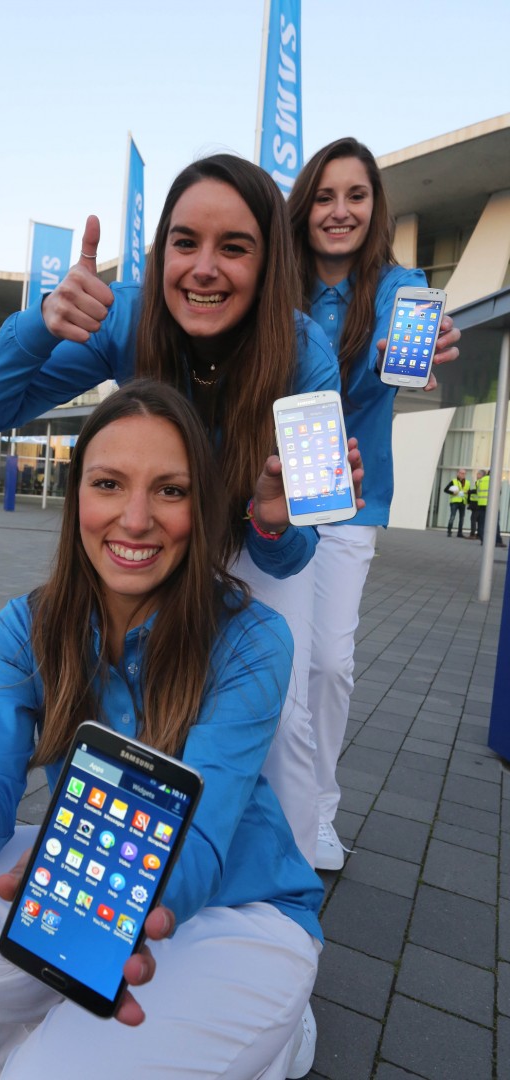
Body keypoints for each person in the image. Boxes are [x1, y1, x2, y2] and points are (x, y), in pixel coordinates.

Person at [0, 380, 323, 1080]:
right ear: (76, 494)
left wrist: (100, 901)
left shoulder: (253, 638)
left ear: (200, 508)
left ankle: (278, 1032)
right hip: (98, 870)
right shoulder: (27, 628)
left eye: (170, 491)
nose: (135, 520)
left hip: (243, 908)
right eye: (108, 484)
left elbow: (201, 842)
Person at [0, 153, 364, 871]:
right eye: (185, 243)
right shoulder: (129, 314)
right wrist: (43, 323)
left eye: (233, 247)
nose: (204, 268)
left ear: (269, 261)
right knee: (139, 692)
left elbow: (290, 556)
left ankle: (283, 887)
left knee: (283, 714)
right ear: (161, 251)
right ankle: (138, 856)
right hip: (152, 528)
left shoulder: (303, 354)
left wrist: (272, 520)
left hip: (243, 538)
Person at [287, 137, 461, 869]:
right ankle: (265, 806)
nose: (340, 211)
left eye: (355, 196)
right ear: (305, 207)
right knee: (271, 660)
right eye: (325, 196)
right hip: (268, 489)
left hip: (348, 499)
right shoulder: (278, 283)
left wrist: (403, 355)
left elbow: (398, 347)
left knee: (328, 662)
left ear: (374, 207)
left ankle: (319, 810)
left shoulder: (401, 285)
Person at [476, 469, 506, 547]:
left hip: (481, 504)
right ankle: (497, 541)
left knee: (482, 523)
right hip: (492, 505)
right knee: (495, 523)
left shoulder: (480, 480)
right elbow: (499, 492)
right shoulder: (495, 480)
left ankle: (483, 540)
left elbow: (477, 492)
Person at [443, 468, 470, 538]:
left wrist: (469, 502)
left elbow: (469, 492)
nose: (463, 474)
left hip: (463, 502)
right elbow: (445, 490)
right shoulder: (453, 481)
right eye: (461, 473)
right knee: (452, 516)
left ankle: (460, 533)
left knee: (462, 518)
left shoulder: (467, 482)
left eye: (464, 473)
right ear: (458, 473)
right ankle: (449, 531)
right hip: (454, 502)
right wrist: (453, 492)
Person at [468, 470, 483, 538]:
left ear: (481, 475)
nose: (477, 476)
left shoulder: (480, 482)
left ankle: (472, 534)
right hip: (477, 503)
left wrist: (469, 491)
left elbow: (477, 491)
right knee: (478, 519)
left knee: (473, 519)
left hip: (476, 503)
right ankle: (479, 534)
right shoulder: (479, 482)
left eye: (478, 474)